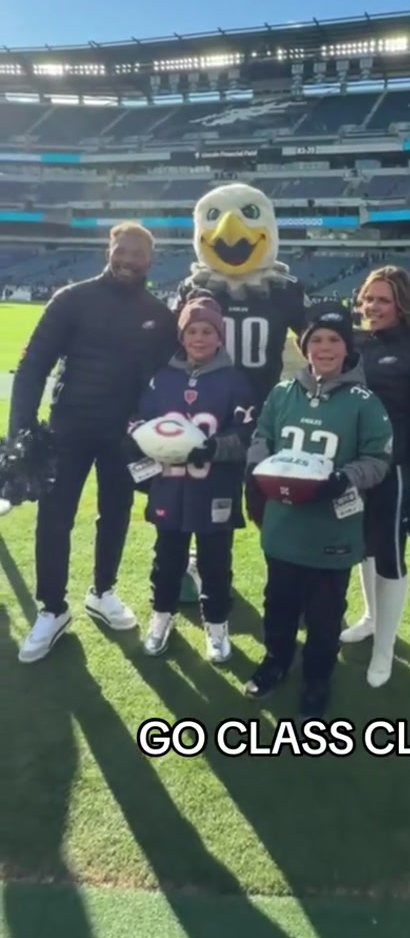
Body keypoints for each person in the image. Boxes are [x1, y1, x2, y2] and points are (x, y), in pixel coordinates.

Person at [10, 222, 178, 664]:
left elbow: (165, 383)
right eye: (120, 251)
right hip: (68, 428)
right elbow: (32, 368)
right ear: (110, 250)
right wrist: (20, 432)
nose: (126, 260)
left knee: (116, 513)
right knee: (55, 517)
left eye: (136, 254)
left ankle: (103, 591)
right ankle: (52, 609)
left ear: (150, 260)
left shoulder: (160, 315)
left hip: (123, 435)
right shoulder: (72, 299)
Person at [244, 302, 393, 718]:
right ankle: (276, 661)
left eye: (334, 340)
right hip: (284, 525)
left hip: (332, 529)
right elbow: (262, 435)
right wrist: (260, 467)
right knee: (279, 602)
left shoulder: (365, 402)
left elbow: (378, 459)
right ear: (304, 347)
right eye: (317, 341)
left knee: (326, 614)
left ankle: (317, 676)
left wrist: (343, 478)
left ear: (347, 347)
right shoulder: (282, 393)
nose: (325, 348)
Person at [174, 182, 310, 598]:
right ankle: (201, 572)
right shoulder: (195, 288)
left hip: (267, 415)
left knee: (273, 502)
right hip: (210, 414)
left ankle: (289, 585)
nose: (230, 232)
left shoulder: (284, 289)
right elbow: (173, 349)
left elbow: (317, 342)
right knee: (205, 495)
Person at [339, 265, 410, 687]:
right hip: (351, 469)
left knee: (389, 555)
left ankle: (384, 649)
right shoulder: (355, 344)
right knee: (363, 550)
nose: (372, 306)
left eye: (382, 299)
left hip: (394, 470)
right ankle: (370, 619)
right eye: (368, 298)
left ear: (402, 304)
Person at [129, 297, 256, 661]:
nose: (199, 338)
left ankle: (217, 627)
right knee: (167, 560)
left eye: (207, 331)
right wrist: (142, 442)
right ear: (181, 336)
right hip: (170, 487)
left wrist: (211, 448)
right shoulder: (162, 378)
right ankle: (161, 617)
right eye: (192, 331)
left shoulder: (235, 380)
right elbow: (138, 420)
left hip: (214, 489)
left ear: (220, 337)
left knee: (216, 564)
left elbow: (247, 436)